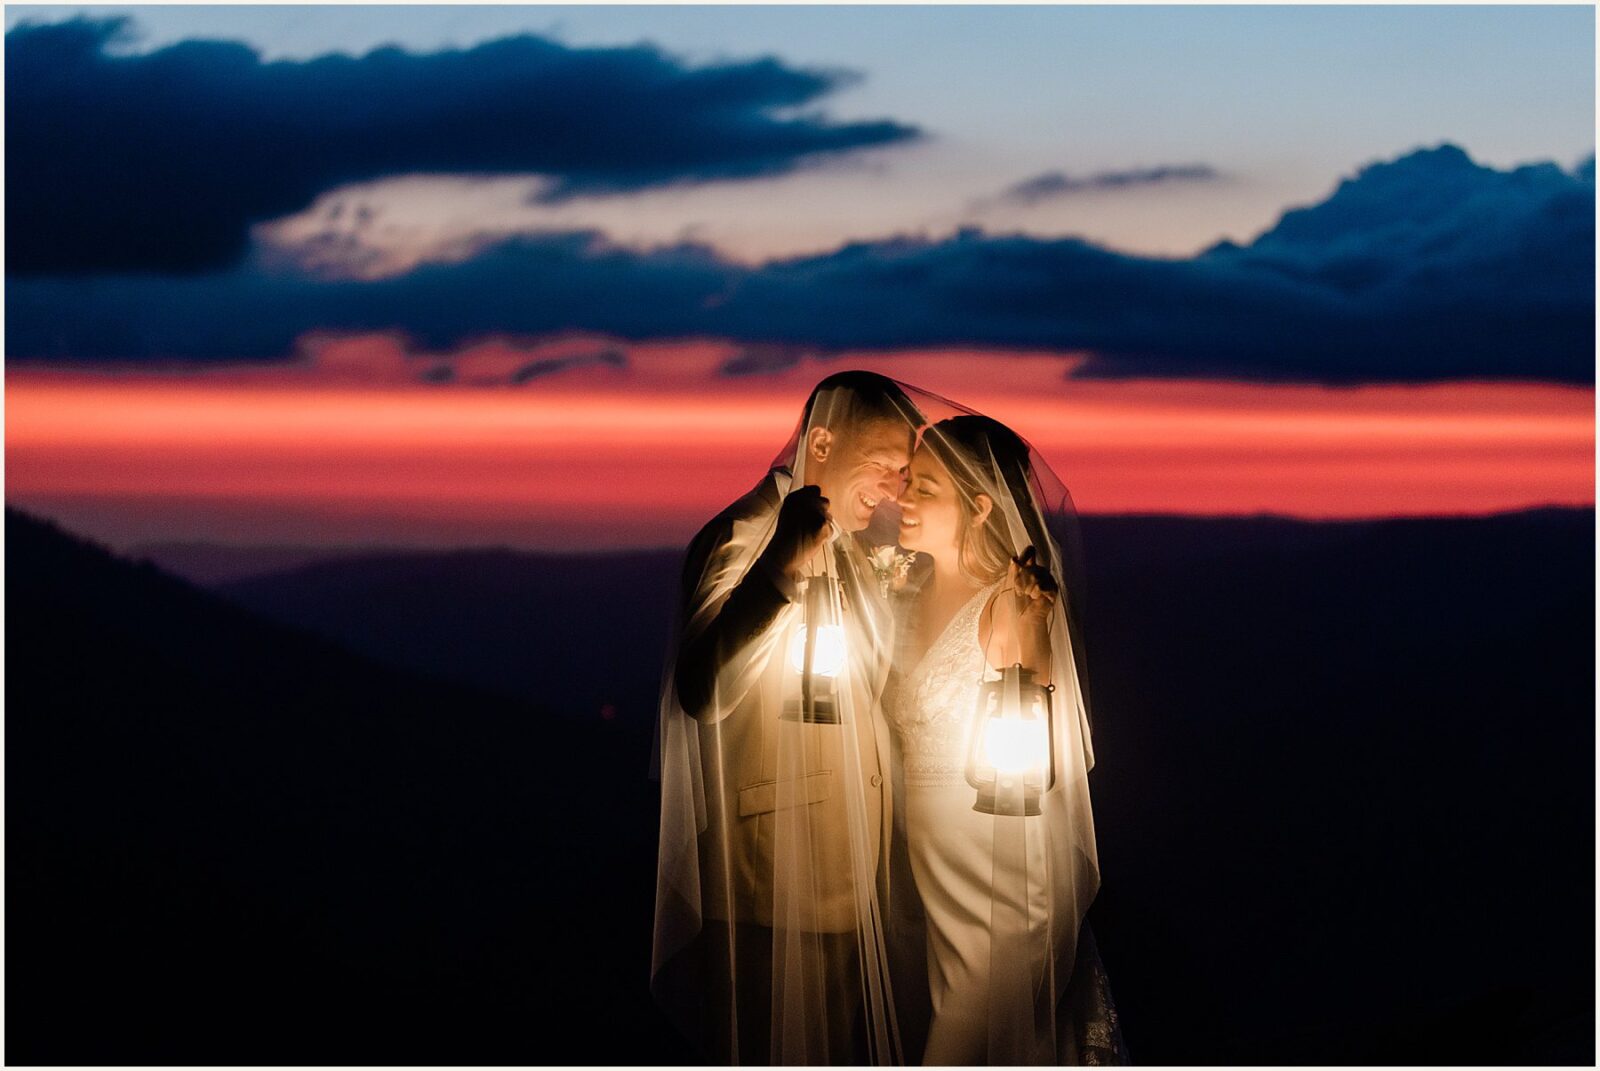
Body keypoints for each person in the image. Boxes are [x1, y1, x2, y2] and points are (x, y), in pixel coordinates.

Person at [651, 370, 922, 1065]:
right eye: (886, 464)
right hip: (770, 887)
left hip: (852, 879)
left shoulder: (857, 549)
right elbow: (701, 692)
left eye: (905, 472)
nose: (895, 488)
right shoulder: (743, 535)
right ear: (823, 441)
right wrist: (781, 568)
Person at [886, 413, 1128, 1065]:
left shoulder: (1004, 605)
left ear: (979, 505)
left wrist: (1030, 633)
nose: (902, 497)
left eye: (925, 489)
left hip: (1003, 895)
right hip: (941, 897)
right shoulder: (906, 596)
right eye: (907, 481)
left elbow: (1038, 731)